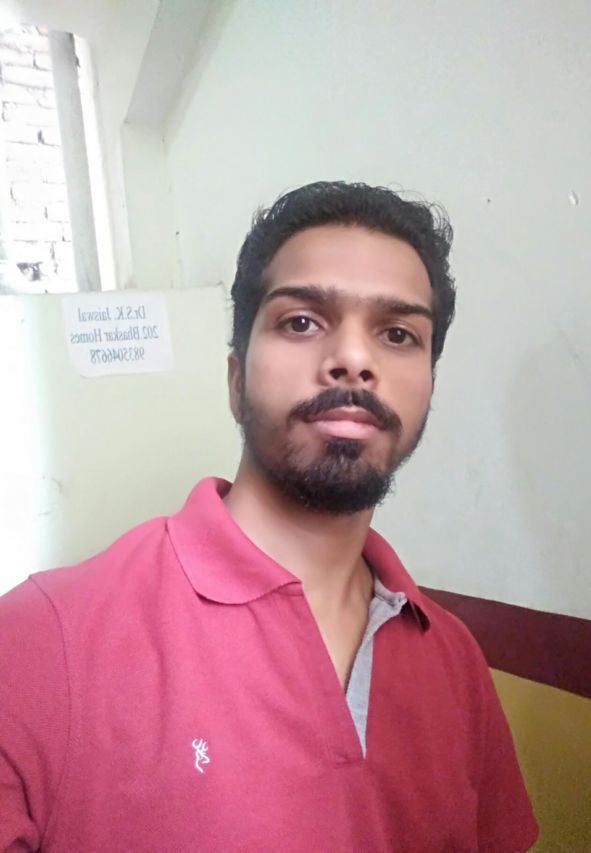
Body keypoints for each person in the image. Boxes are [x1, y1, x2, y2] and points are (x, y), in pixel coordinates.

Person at [0, 181, 538, 852]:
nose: (354, 359)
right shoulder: (40, 642)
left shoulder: (454, 659)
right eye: (302, 322)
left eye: (399, 334)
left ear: (429, 388)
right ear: (236, 380)